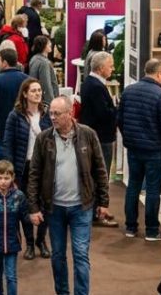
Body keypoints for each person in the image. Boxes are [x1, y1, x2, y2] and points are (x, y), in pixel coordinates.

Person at [27, 96, 110, 295]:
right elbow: (34, 175)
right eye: (51, 113)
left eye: (57, 114)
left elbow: (100, 169)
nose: (53, 117)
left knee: (81, 254)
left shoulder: (88, 135)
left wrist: (104, 201)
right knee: (58, 256)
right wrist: (34, 207)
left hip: (82, 207)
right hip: (54, 208)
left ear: (70, 113)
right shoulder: (43, 138)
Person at [118, 58, 161, 241]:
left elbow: (119, 119)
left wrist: (128, 138)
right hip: (154, 150)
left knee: (133, 186)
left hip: (134, 148)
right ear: (159, 73)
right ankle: (151, 230)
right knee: (152, 190)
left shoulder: (128, 91)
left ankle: (131, 227)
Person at [3, 78, 51, 261]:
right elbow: (8, 143)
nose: (38, 93)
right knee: (25, 206)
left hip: (44, 166)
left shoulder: (47, 114)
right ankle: (30, 243)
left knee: (46, 203)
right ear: (25, 94)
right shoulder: (15, 115)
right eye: (33, 91)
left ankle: (41, 240)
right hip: (23, 166)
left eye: (39, 90)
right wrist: (10, 171)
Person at [77, 51, 120, 228]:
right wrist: (117, 108)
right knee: (100, 175)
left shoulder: (90, 82)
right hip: (101, 137)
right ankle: (97, 211)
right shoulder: (95, 86)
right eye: (110, 66)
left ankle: (99, 208)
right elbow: (103, 114)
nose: (113, 69)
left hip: (97, 135)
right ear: (101, 68)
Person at [0, 161, 26, 295]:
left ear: (12, 177)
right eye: (0, 178)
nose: (3, 181)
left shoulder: (19, 196)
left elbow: (25, 217)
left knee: (11, 275)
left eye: (6, 178)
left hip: (12, 242)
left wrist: (33, 218)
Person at [0, 48, 28, 162]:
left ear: (5, 62)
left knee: (3, 167)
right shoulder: (26, 80)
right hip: (22, 128)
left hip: (0, 130)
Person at [28, 36, 60, 104]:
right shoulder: (44, 63)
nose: (50, 44)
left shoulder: (33, 59)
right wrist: (51, 103)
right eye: (48, 43)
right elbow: (46, 85)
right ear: (43, 46)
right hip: (45, 101)